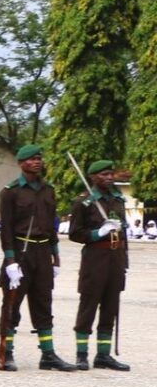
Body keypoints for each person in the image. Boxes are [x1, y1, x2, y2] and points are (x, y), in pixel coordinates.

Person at [0, 144, 77, 371]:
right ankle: (7, 352)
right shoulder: (10, 192)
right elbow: (6, 230)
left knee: (44, 303)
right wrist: (10, 260)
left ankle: (48, 354)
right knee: (12, 304)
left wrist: (56, 255)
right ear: (22, 163)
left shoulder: (48, 190)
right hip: (21, 251)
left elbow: (51, 226)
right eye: (32, 159)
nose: (37, 162)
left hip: (42, 251)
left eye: (39, 158)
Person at [68, 159, 130, 370]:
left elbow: (125, 233)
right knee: (89, 304)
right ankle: (82, 354)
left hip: (116, 257)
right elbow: (75, 233)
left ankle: (103, 355)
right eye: (104, 174)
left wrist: (125, 260)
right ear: (93, 177)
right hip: (95, 257)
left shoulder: (118, 199)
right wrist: (98, 233)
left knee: (111, 305)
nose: (109, 178)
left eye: (111, 174)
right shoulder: (84, 202)